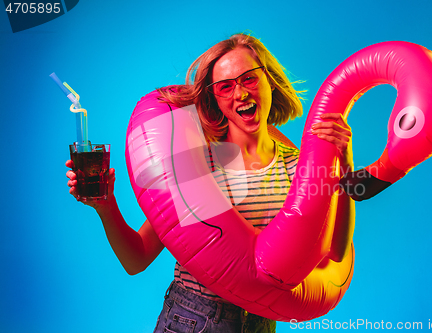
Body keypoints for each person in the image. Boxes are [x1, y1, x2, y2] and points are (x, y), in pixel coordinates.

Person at [65, 33, 355, 333]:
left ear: (269, 80)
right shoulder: (200, 163)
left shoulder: (296, 167)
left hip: (261, 323)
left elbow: (335, 251)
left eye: (249, 80)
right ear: (214, 97)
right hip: (193, 320)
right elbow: (136, 259)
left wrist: (343, 164)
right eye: (225, 87)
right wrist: (106, 206)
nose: (240, 94)